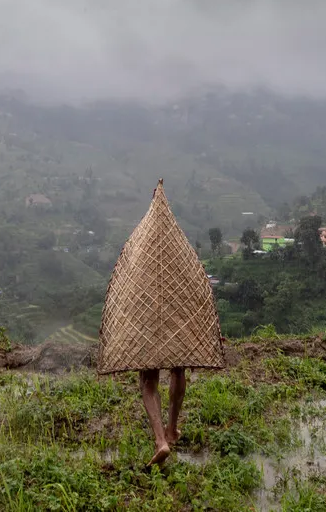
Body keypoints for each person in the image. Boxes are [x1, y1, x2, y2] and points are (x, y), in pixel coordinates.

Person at [97, 179, 225, 465]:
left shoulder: (139, 253)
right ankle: (172, 427)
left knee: (148, 378)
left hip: (147, 322)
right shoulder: (181, 255)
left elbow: (126, 296)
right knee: (178, 367)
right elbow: (197, 296)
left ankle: (160, 439)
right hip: (176, 321)